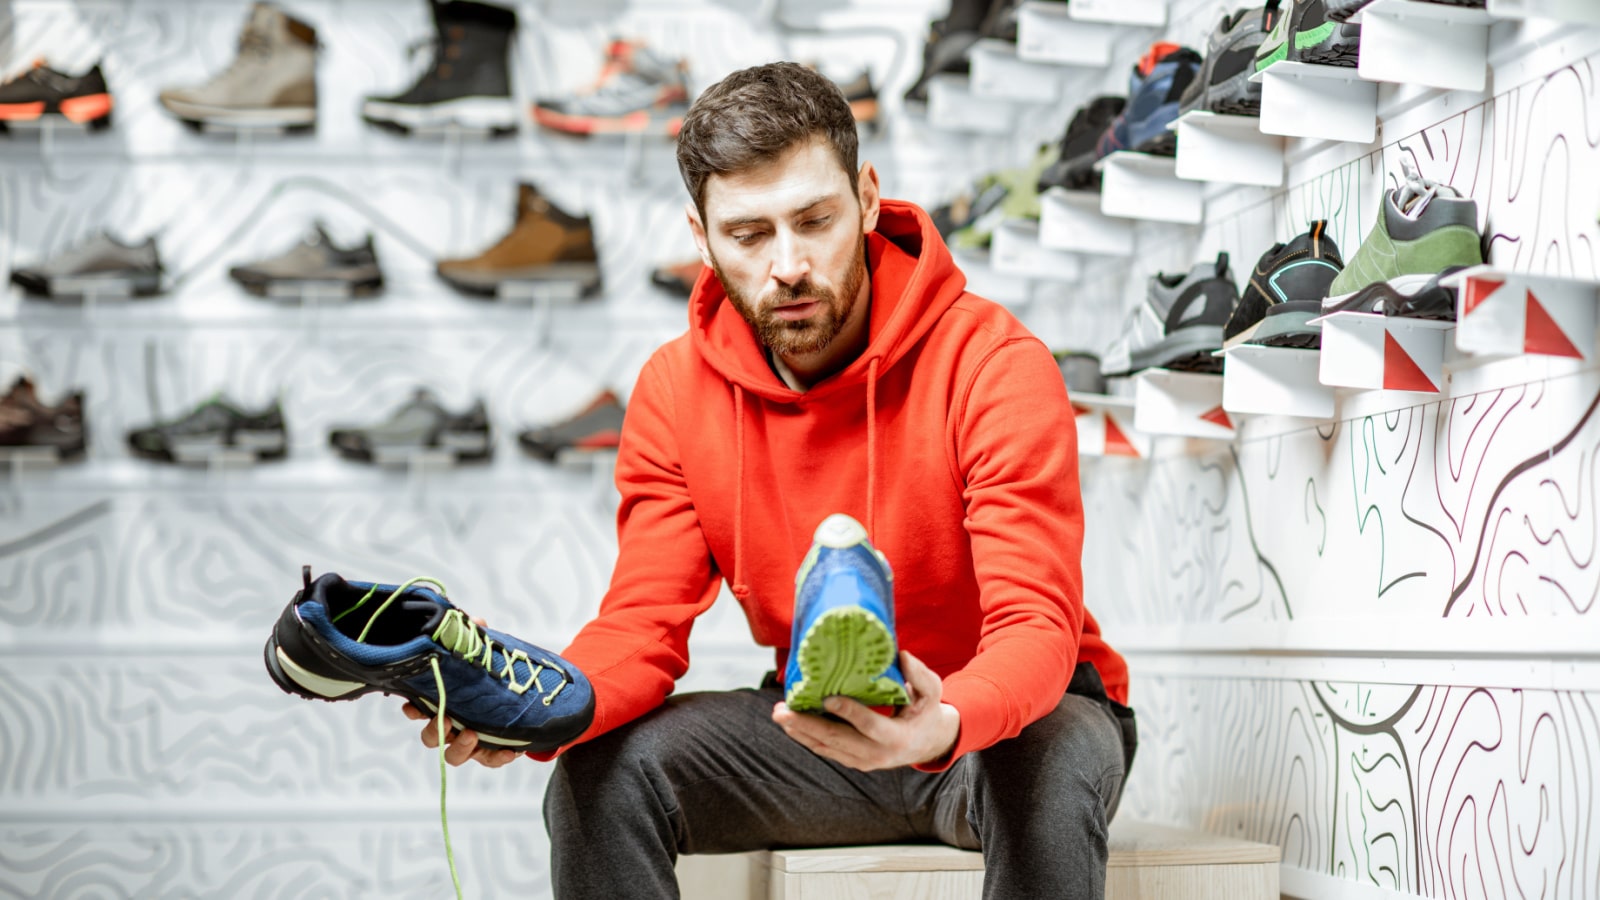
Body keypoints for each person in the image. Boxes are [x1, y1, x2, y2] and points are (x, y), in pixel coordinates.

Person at [402, 61, 1136, 899]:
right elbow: (642, 625)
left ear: (866, 197)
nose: (788, 264)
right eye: (749, 235)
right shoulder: (676, 392)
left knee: (1050, 760)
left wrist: (945, 722)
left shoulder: (995, 365)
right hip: (822, 727)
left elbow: (1035, 626)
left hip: (996, 727)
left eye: (814, 220)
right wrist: (540, 706)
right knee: (598, 773)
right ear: (702, 236)